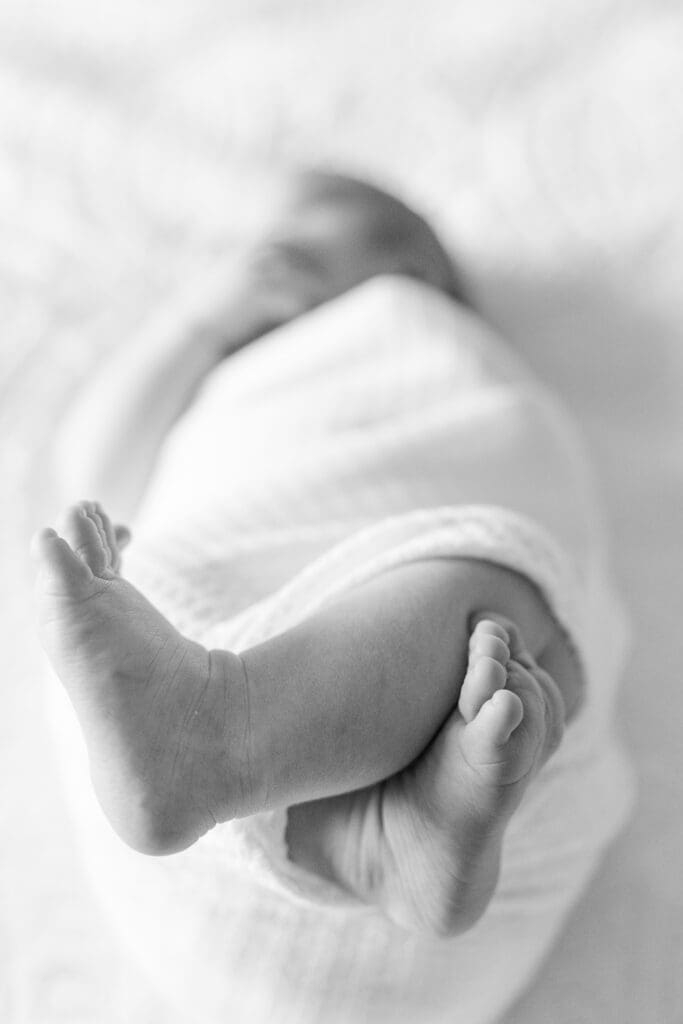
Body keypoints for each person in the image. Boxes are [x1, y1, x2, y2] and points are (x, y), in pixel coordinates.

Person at [33, 170, 632, 1022]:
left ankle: (236, 736)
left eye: (309, 252)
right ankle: (323, 810)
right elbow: (94, 462)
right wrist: (196, 325)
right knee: (492, 586)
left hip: (275, 920)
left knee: (494, 583)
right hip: (246, 882)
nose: (270, 268)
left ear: (424, 283)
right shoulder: (233, 373)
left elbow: (522, 472)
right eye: (272, 257)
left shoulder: (439, 360)